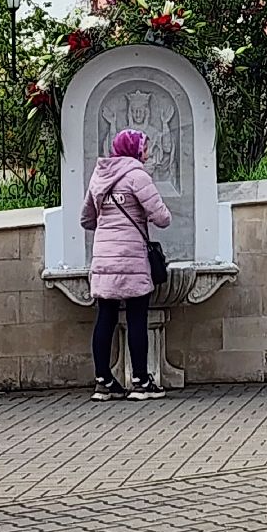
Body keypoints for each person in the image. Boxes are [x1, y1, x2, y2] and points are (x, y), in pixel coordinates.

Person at [80, 129, 171, 400]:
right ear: (134, 150)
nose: (147, 152)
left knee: (105, 316)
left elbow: (86, 219)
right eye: (144, 147)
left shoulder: (100, 176)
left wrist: (108, 220)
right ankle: (141, 382)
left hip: (104, 256)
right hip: (130, 256)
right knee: (136, 317)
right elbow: (162, 217)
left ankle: (103, 382)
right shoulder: (137, 175)